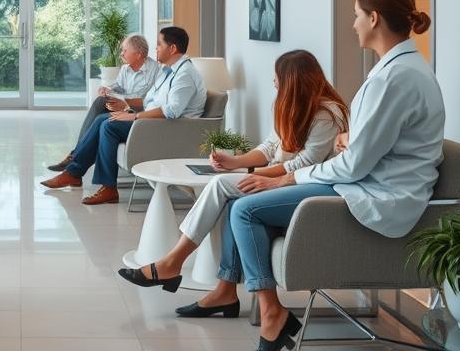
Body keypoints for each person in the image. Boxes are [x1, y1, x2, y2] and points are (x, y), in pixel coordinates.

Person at [168, 0, 440, 351]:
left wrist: (286, 180)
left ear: (375, 19)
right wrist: (350, 140)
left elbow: (354, 166)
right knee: (238, 202)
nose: (353, 23)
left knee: (244, 210)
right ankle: (240, 299)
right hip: (367, 183)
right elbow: (369, 146)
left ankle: (271, 313)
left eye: (357, 15)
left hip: (374, 194)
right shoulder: (402, 71)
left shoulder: (393, 79)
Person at [116, 50, 349, 301]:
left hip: (305, 187)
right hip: (285, 181)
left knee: (220, 186)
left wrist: (256, 174)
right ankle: (223, 290)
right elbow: (269, 147)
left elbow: (304, 164)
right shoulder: (293, 105)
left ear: (293, 80)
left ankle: (173, 263)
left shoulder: (326, 115)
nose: (273, 82)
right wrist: (235, 161)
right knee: (232, 201)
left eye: (277, 77)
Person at [40, 27, 207, 205]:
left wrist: (134, 117)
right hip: (154, 122)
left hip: (166, 128)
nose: (156, 48)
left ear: (172, 48)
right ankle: (76, 174)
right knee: (101, 119)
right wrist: (127, 107)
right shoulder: (169, 71)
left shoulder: (184, 74)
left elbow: (172, 111)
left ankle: (101, 185)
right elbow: (150, 100)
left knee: (109, 125)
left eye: (159, 44)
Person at [47, 34, 161, 172]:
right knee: (101, 101)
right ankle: (74, 156)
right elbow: (119, 87)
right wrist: (108, 89)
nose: (121, 54)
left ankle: (74, 157)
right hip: (123, 108)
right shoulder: (126, 69)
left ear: (138, 54)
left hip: (138, 113)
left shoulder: (156, 71)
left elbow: (151, 102)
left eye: (125, 50)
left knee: (102, 119)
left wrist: (125, 103)